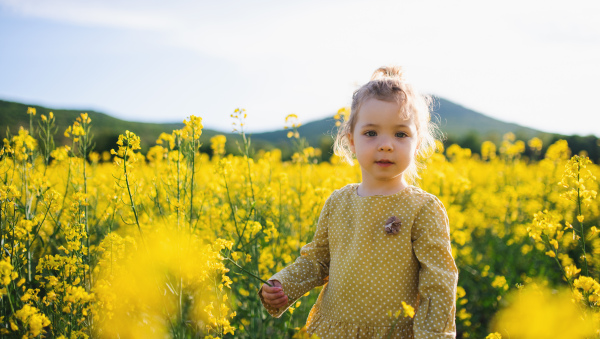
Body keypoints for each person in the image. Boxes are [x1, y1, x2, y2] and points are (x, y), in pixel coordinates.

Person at [259, 65, 458, 339]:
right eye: (371, 133)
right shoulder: (338, 202)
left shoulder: (423, 208)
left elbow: (439, 282)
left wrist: (433, 335)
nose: (386, 144)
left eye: (400, 134)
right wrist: (283, 285)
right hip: (332, 331)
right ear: (351, 140)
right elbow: (317, 260)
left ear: (418, 142)